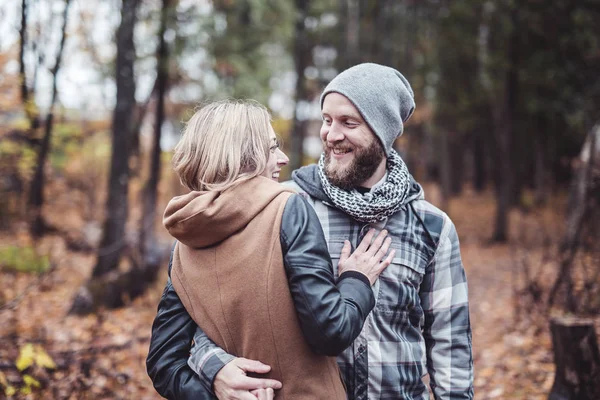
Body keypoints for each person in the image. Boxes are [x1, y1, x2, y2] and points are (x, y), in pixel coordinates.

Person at [147, 63, 474, 399]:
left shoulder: (431, 226)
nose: (331, 135)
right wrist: (215, 368)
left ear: (383, 132)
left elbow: (449, 343)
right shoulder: (279, 206)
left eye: (349, 122)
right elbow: (219, 312)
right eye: (327, 120)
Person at [149, 99, 396, 400]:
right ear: (244, 156)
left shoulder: (183, 243)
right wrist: (356, 279)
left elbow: (163, 363)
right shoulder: (287, 209)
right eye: (271, 148)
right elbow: (331, 332)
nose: (282, 158)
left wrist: (215, 386)